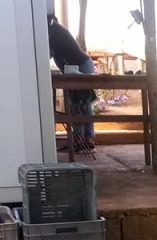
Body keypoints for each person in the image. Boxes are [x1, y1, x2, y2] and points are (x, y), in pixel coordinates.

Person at [48, 15, 97, 151]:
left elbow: (47, 54)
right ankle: (77, 140)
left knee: (81, 104)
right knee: (77, 105)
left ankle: (85, 140)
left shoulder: (54, 33)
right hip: (76, 67)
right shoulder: (55, 31)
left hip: (81, 66)